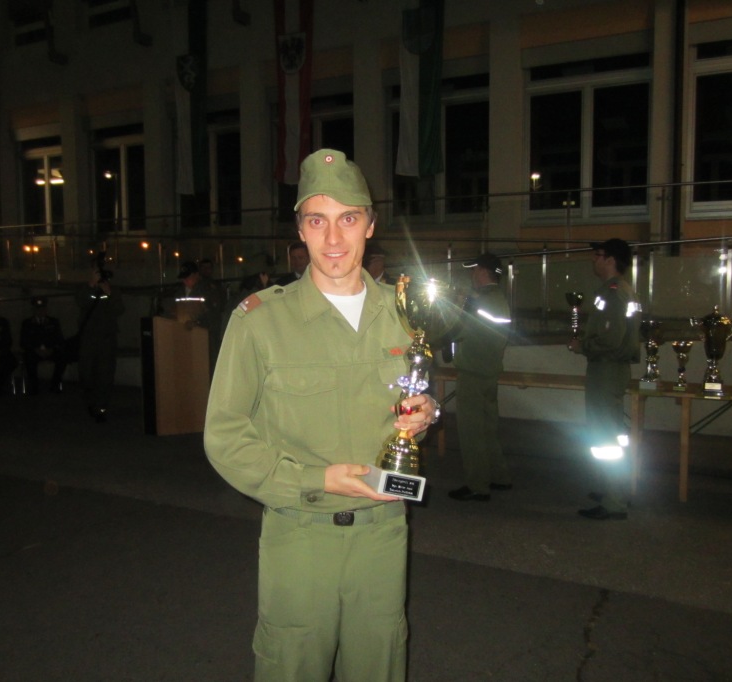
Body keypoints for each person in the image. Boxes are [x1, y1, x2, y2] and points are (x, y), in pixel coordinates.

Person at [204, 148, 440, 682]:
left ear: (370, 226)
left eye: (348, 219)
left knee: (379, 665)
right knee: (291, 666)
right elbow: (224, 437)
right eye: (317, 221)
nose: (333, 238)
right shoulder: (259, 321)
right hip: (299, 535)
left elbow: (411, 403)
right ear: (300, 231)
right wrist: (314, 480)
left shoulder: (402, 314)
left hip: (383, 532)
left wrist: (423, 415)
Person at [567, 238, 641, 521]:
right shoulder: (622, 291)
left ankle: (614, 501)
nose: (593, 260)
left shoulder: (613, 293)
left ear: (610, 260)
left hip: (606, 369)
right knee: (609, 436)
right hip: (611, 369)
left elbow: (610, 339)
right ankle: (611, 489)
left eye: (597, 255)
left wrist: (582, 346)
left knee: (607, 437)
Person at [446, 253, 514, 502]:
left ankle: (477, 485)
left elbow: (460, 331)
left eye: (474, 270)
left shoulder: (480, 302)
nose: (472, 275)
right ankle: (499, 475)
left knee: (472, 432)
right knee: (488, 429)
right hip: (489, 369)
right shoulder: (499, 299)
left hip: (473, 371)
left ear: (484, 271)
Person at [76, 256, 125, 422]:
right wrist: (92, 285)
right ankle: (91, 403)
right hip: (88, 338)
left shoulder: (113, 290)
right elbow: (81, 302)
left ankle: (102, 407)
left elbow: (119, 309)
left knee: (105, 374)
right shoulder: (84, 289)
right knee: (87, 373)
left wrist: (109, 293)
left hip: (106, 338)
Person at [19, 295, 66, 394]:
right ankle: (34, 387)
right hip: (34, 351)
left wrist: (52, 349)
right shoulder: (27, 323)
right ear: (33, 310)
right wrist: (35, 349)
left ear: (46, 309)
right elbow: (23, 341)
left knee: (63, 358)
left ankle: (55, 385)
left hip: (50, 350)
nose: (40, 311)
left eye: (42, 308)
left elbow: (59, 339)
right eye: (38, 309)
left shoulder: (53, 322)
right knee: (29, 358)